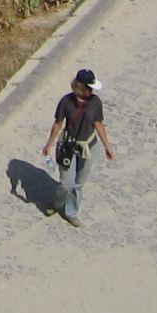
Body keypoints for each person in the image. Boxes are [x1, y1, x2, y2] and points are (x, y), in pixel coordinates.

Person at [40, 68, 115, 227]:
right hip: (69, 147)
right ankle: (57, 203)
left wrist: (107, 146)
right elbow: (58, 123)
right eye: (89, 87)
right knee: (66, 183)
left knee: (79, 183)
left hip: (89, 147)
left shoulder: (95, 102)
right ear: (80, 87)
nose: (92, 91)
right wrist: (49, 144)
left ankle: (71, 212)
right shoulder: (66, 102)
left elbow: (98, 124)